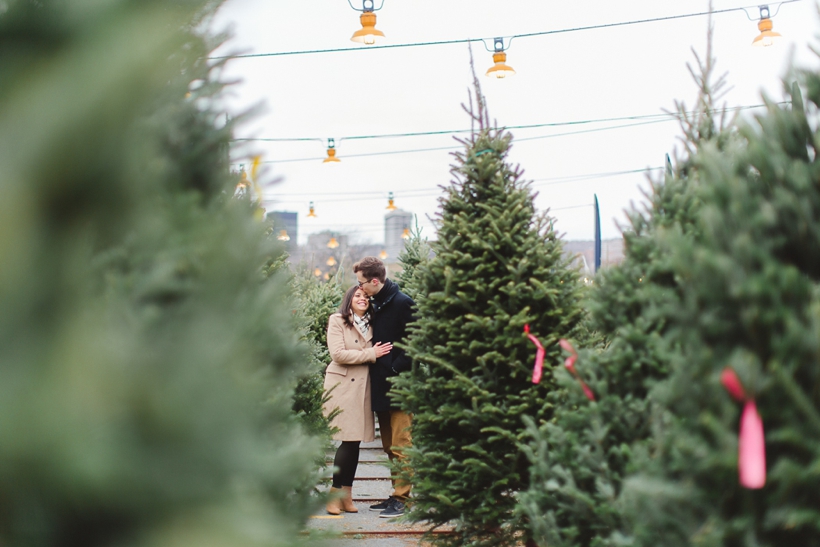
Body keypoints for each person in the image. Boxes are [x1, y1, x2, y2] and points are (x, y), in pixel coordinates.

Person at [353, 256, 415, 519]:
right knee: (390, 445)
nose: (360, 288)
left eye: (362, 283)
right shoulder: (376, 304)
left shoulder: (404, 303)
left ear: (375, 281)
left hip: (399, 385)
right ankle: (396, 493)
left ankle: (403, 499)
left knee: (402, 444)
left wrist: (394, 367)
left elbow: (416, 341)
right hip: (379, 385)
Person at [323, 285, 393, 515]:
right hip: (342, 386)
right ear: (349, 299)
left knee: (354, 442)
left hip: (363, 387)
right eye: (357, 295)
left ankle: (347, 495)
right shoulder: (338, 320)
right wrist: (371, 354)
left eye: (366, 296)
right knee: (347, 440)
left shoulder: (374, 323)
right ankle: (334, 494)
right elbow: (338, 354)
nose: (362, 299)